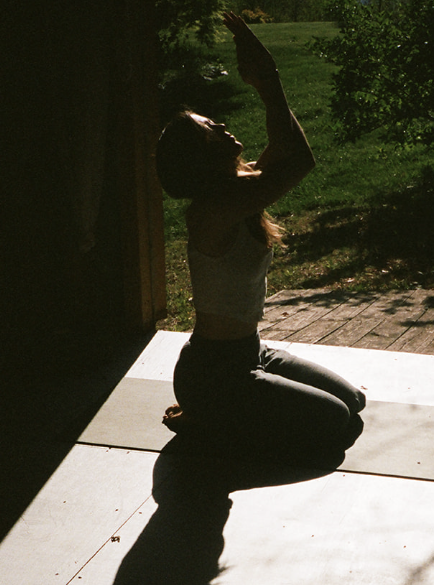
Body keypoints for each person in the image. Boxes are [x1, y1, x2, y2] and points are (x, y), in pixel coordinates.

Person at [154, 11, 365, 463]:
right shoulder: (214, 211)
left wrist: (267, 75)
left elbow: (289, 151)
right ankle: (211, 419)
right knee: (335, 424)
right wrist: (267, 83)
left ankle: (219, 414)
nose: (219, 125)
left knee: (354, 406)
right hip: (216, 372)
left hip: (253, 352)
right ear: (198, 156)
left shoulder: (239, 188)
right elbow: (299, 163)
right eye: (207, 128)